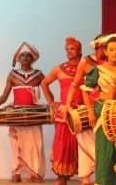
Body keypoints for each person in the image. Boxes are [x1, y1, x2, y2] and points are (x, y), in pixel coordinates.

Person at [61, 34, 113, 185]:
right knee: (84, 138)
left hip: (104, 106)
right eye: (105, 47)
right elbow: (75, 84)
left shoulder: (112, 63)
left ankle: (103, 171)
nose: (107, 50)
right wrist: (67, 106)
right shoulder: (86, 62)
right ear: (98, 47)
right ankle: (85, 176)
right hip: (88, 106)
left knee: (103, 140)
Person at [0, 41, 45, 183]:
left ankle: (35, 173)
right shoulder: (12, 75)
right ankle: (15, 172)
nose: (26, 58)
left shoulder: (39, 75)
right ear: (18, 59)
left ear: (33, 58)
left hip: (34, 114)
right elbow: (5, 95)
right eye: (23, 55)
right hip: (17, 114)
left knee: (35, 144)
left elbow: (47, 91)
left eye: (28, 55)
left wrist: (53, 105)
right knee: (16, 144)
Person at [81, 34, 116, 185]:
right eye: (112, 50)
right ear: (105, 52)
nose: (115, 53)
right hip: (103, 113)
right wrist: (90, 112)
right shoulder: (98, 70)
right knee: (104, 151)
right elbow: (85, 90)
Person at [40, 37, 82, 185]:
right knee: (62, 144)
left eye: (72, 49)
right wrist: (52, 102)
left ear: (79, 51)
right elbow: (44, 83)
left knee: (80, 143)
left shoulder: (85, 68)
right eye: (67, 49)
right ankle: (61, 177)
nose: (69, 52)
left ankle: (84, 175)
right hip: (64, 112)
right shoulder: (60, 69)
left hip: (80, 112)